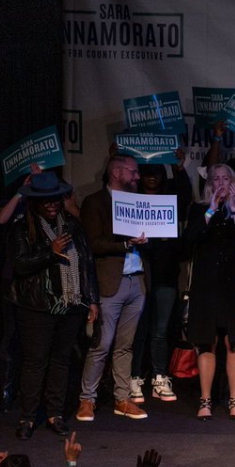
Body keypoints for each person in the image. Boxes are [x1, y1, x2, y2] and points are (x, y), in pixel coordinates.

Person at [6, 172, 99, 440]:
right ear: (34, 202)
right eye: (45, 201)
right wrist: (51, 252)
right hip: (37, 307)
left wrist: (92, 299)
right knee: (35, 362)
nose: (51, 205)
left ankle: (54, 413)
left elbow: (87, 262)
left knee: (61, 360)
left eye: (55, 200)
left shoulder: (71, 224)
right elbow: (20, 265)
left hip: (70, 305)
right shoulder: (23, 228)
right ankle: (27, 417)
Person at [76, 155, 149, 423]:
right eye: (133, 172)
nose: (138, 177)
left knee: (125, 346)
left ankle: (122, 398)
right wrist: (126, 244)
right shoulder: (95, 202)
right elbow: (92, 243)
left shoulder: (139, 202)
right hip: (109, 282)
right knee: (102, 344)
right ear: (116, 172)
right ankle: (87, 399)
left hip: (136, 281)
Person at [184, 163, 235, 419]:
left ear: (233, 182)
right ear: (210, 184)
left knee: (234, 342)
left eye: (225, 178)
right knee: (207, 343)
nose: (220, 183)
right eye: (215, 179)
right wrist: (211, 211)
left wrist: (233, 210)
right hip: (206, 286)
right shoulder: (199, 209)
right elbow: (188, 241)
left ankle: (234, 400)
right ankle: (205, 401)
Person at [130, 158, 191, 404]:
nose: (152, 176)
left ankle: (159, 376)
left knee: (161, 329)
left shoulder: (171, 199)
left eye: (157, 171)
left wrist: (178, 166)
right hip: (139, 272)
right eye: (147, 172)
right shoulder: (130, 199)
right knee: (139, 329)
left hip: (165, 273)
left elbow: (186, 194)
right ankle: (134, 377)